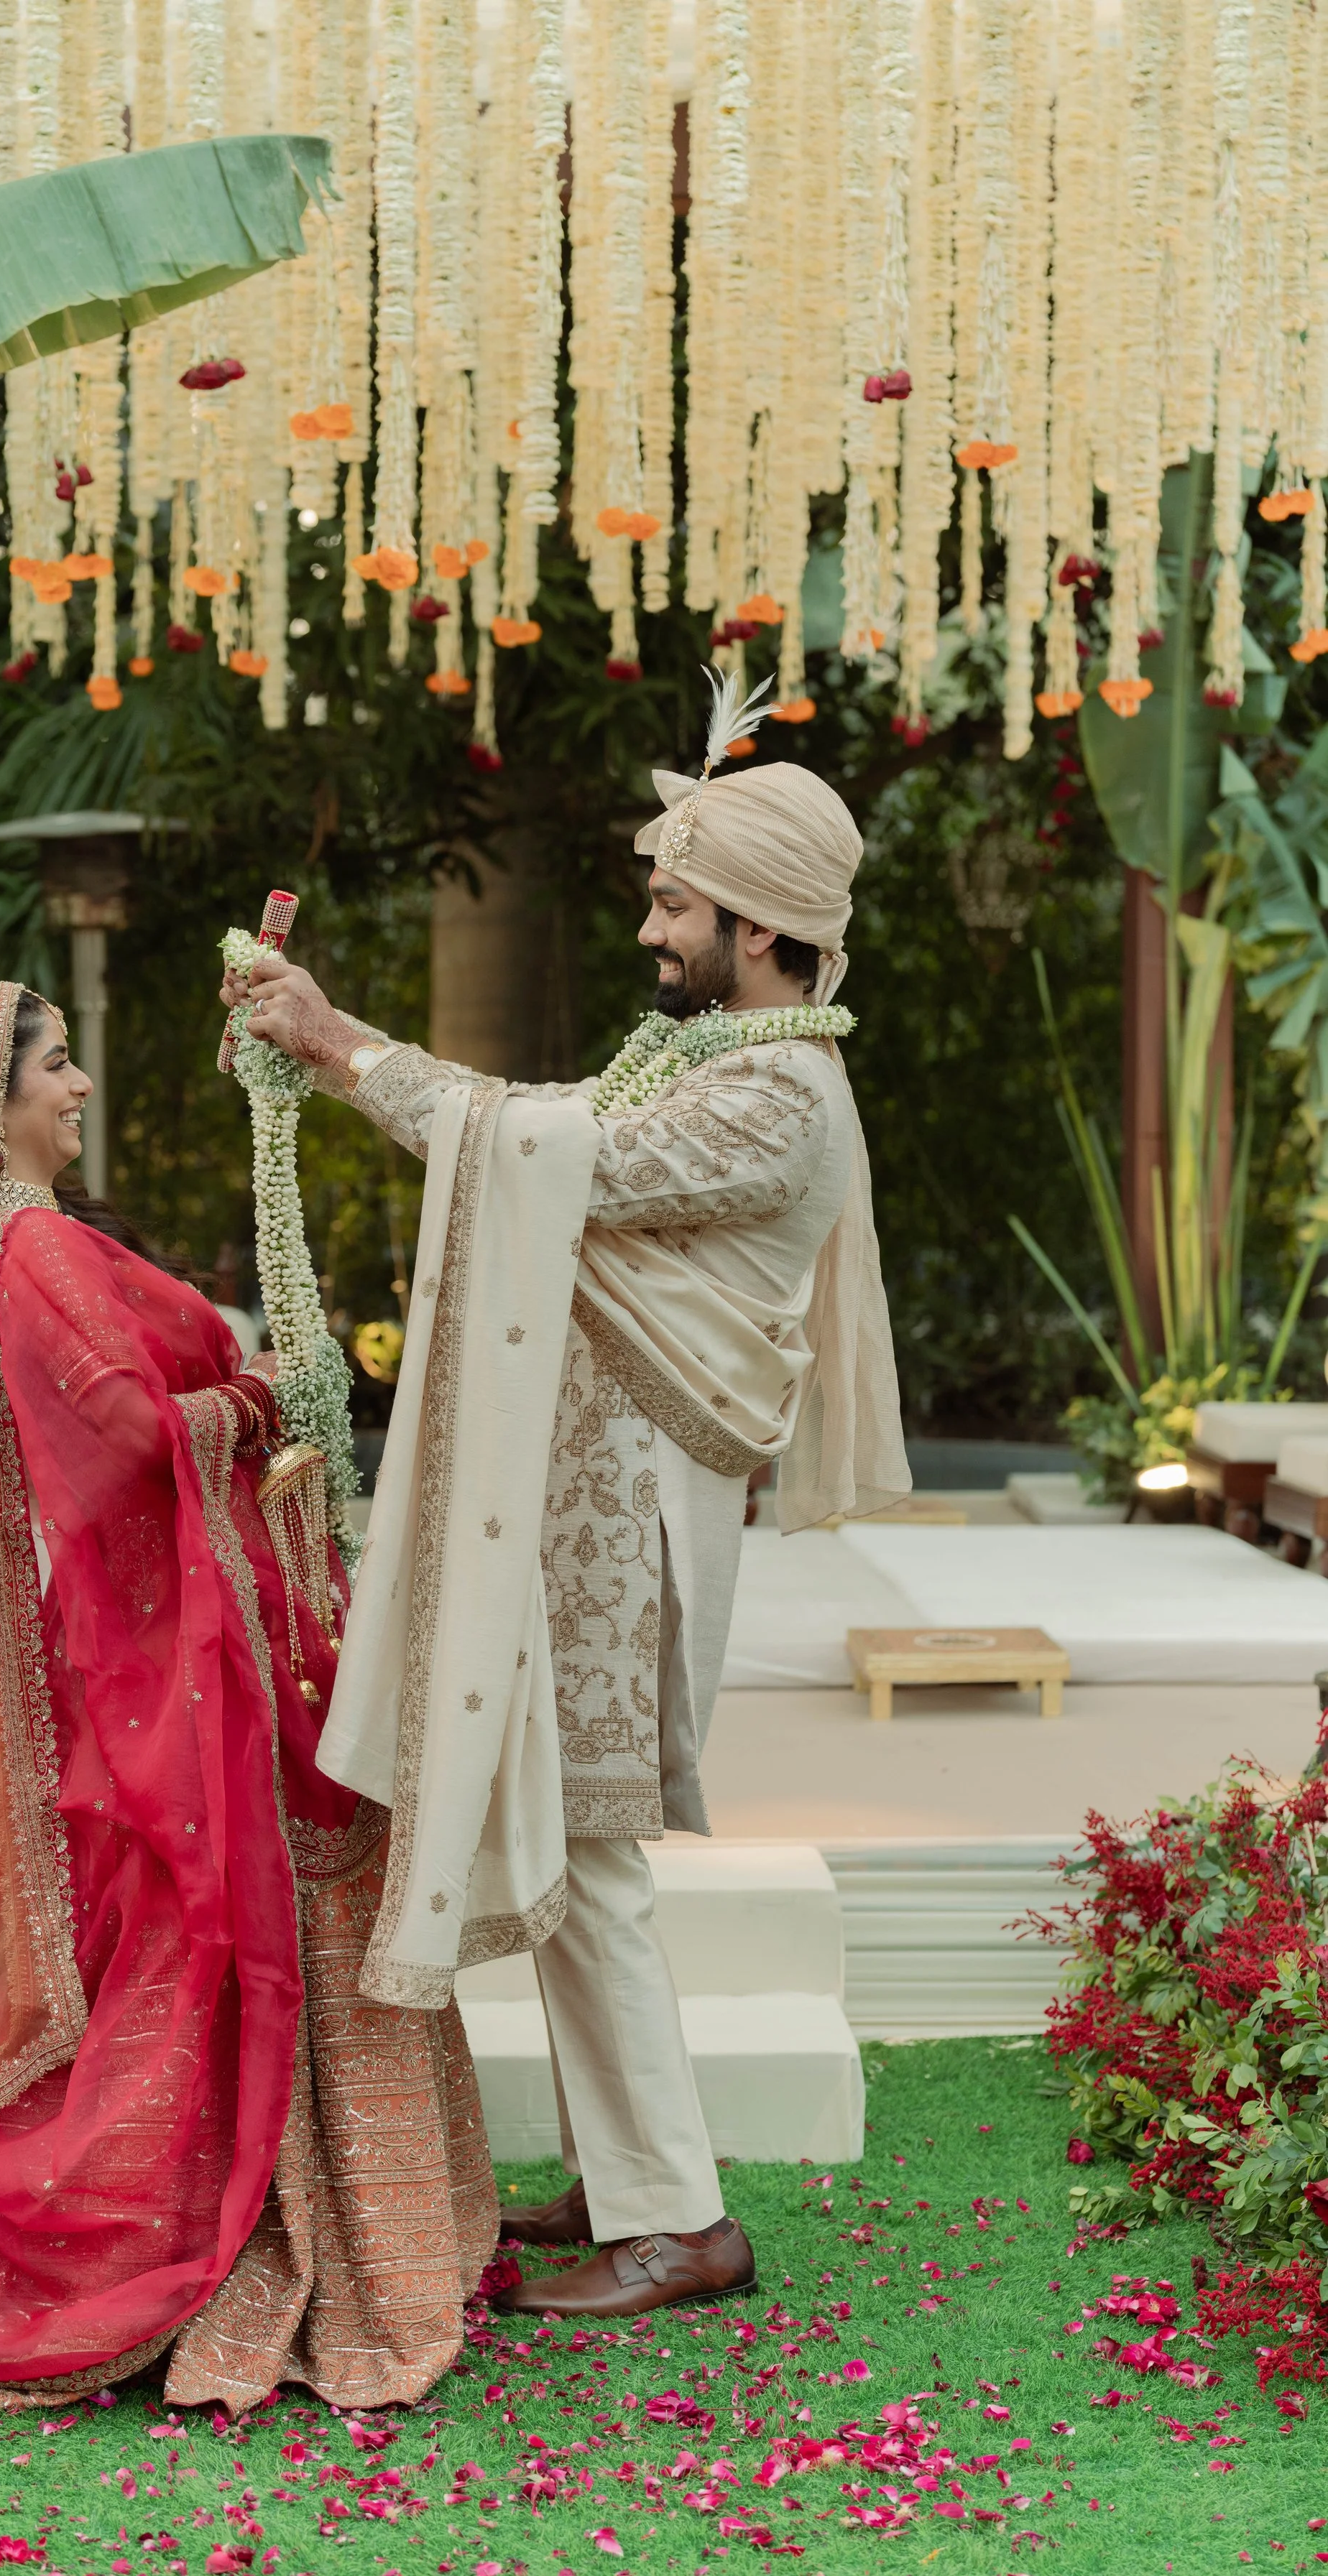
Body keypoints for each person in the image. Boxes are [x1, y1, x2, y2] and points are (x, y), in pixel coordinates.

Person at [220, 681, 908, 2321]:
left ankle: (675, 2218)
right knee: (582, 1848)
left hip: (636, 1532)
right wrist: (321, 1062)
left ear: (754, 928)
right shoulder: (702, 1061)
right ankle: (629, 2177)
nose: (653, 926)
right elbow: (534, 1133)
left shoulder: (772, 1099)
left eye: (676, 901)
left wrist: (331, 1042)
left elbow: (531, 1154)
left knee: (591, 1855)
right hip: (595, 1515)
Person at [0, 981, 494, 2409]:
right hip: (156, 1663)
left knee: (158, 1934)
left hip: (131, 1649)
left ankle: (226, 2201)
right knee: (184, 1933)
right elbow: (131, 1434)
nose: (79, 1086)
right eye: (55, 1065)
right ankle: (167, 2228)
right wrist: (262, 1402)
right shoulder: (39, 1253)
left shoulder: (5, 1251)